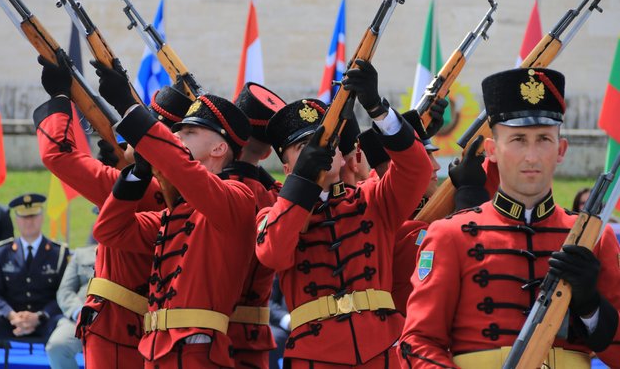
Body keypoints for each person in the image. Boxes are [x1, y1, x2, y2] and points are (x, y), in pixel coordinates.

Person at [399, 67, 620, 368]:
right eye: (518, 139)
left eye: (543, 139)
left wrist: (591, 307)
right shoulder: (450, 235)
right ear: (491, 150)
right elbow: (418, 343)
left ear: (561, 149)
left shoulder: (595, 238)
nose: (532, 156)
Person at [255, 59, 433, 367]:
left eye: (327, 142)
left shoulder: (371, 198)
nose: (321, 151)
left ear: (341, 154)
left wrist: (379, 110)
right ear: (286, 168)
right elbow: (272, 253)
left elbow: (416, 170)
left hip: (382, 350)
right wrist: (302, 184)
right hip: (315, 356)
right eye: (304, 148)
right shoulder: (274, 213)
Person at [92, 70, 257, 367]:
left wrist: (130, 108)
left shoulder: (238, 197)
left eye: (189, 132)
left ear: (219, 148)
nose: (177, 136)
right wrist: (138, 174)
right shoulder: (175, 213)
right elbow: (110, 231)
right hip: (154, 350)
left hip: (198, 350)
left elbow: (185, 170)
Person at [34, 54, 189, 368]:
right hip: (159, 327)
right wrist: (123, 163)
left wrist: (59, 97)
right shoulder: (191, 192)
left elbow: (57, 154)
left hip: (114, 328)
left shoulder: (136, 186)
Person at [221, 81, 287, 368]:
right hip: (255, 339)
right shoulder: (277, 196)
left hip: (207, 339)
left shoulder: (213, 189)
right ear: (267, 153)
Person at [0, 193, 70, 368]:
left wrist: (39, 316)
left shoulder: (58, 253)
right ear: (16, 219)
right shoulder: (2, 252)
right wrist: (13, 316)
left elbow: (63, 295)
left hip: (46, 320)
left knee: (65, 330)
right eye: (23, 217)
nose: (29, 221)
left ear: (42, 216)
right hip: (11, 320)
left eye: (33, 215)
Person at [45, 241, 97, 369]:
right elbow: (65, 290)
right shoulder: (81, 255)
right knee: (57, 346)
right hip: (80, 317)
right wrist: (80, 313)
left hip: (117, 320)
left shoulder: (132, 255)